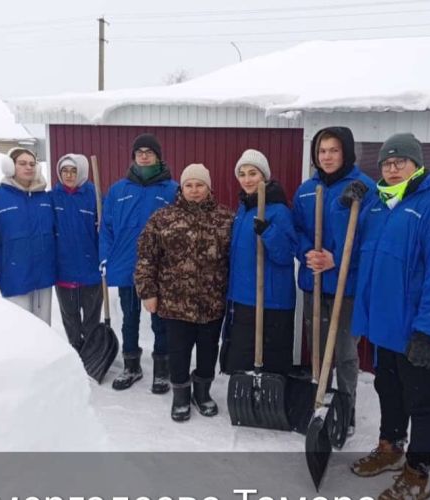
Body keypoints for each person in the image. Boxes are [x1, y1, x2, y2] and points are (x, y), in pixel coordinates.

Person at [344, 133, 430, 500]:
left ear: (418, 165)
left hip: (416, 328)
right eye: (386, 162)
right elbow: (356, 250)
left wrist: (428, 331)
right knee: (388, 389)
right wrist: (346, 203)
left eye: (400, 161)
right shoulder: (379, 206)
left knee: (423, 401)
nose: (392, 168)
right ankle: (391, 447)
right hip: (384, 324)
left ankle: (418, 473)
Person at [292, 126, 376, 435]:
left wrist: (337, 260)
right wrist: (307, 252)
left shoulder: (363, 188)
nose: (326, 157)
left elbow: (369, 237)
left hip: (347, 285)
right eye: (322, 151)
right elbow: (297, 229)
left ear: (347, 153)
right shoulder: (305, 189)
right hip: (314, 283)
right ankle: (319, 400)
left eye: (334, 150)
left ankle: (346, 407)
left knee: (344, 350)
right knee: (316, 346)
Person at [134, 163, 233, 422]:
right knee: (178, 351)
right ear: (182, 188)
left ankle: (202, 393)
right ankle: (180, 396)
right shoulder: (163, 218)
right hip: (175, 303)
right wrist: (148, 292)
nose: (194, 190)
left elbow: (235, 259)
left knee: (208, 351)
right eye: (189, 185)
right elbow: (146, 257)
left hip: (212, 302)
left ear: (208, 188)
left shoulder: (225, 218)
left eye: (199, 185)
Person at [100, 133, 178, 393]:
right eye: (139, 151)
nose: (144, 155)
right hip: (126, 265)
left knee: (160, 321)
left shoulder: (171, 189)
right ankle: (131, 365)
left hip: (160, 268)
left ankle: (162, 370)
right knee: (129, 318)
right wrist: (105, 256)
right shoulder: (118, 190)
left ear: (158, 156)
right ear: (133, 156)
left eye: (149, 151)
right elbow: (106, 228)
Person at [222, 149, 297, 375]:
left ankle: (268, 404)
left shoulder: (279, 211)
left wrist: (269, 232)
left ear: (264, 176)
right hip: (242, 296)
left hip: (269, 299)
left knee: (269, 362)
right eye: (242, 174)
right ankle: (246, 403)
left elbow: (286, 255)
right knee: (243, 360)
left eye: (252, 173)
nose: (247, 179)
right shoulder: (243, 209)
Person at [0, 147, 56, 324]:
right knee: (20, 327)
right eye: (22, 163)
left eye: (32, 164)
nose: (29, 168)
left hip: (43, 276)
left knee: (43, 329)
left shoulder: (45, 198)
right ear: (10, 167)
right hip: (14, 276)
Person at [51, 153, 102, 352]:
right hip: (63, 268)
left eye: (74, 171)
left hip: (90, 268)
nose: (69, 175)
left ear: (82, 172)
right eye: (65, 171)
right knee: (70, 316)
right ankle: (76, 350)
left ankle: (92, 351)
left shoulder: (95, 196)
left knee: (91, 316)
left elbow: (105, 231)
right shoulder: (52, 197)